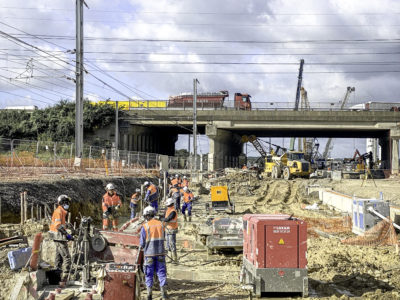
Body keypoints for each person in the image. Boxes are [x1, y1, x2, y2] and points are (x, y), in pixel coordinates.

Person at [140, 206, 168, 300]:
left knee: (149, 274)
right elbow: (164, 237)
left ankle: (149, 295)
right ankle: (164, 294)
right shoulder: (161, 224)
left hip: (149, 255)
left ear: (146, 216)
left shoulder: (145, 226)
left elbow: (142, 243)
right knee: (161, 273)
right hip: (160, 253)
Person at [49, 195, 73, 282]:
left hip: (57, 236)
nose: (68, 204)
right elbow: (58, 225)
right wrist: (67, 234)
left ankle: (56, 276)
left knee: (58, 257)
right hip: (58, 236)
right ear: (62, 203)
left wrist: (67, 225)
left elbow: (60, 223)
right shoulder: (59, 211)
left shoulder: (61, 211)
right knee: (67, 257)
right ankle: (65, 277)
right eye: (66, 203)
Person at [163, 198, 178, 262]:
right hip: (168, 229)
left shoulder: (173, 211)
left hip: (172, 229)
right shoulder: (169, 210)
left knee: (172, 244)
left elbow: (168, 219)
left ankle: (174, 258)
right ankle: (169, 258)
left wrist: (161, 219)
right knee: (168, 244)